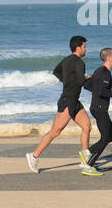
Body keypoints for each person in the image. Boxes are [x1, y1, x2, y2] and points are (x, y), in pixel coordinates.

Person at [26, 35, 95, 172]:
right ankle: (34, 156)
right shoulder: (79, 62)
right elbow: (81, 82)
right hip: (67, 101)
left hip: (74, 101)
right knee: (55, 131)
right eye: (84, 46)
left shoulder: (66, 60)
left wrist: (68, 80)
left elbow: (56, 72)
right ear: (78, 47)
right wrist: (92, 80)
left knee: (87, 126)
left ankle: (84, 160)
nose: (86, 49)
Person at [80, 47, 112, 174]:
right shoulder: (104, 73)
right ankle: (88, 164)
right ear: (108, 57)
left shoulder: (99, 71)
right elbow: (101, 92)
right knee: (106, 138)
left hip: (97, 108)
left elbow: (88, 86)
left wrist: (91, 79)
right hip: (99, 108)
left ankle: (87, 154)